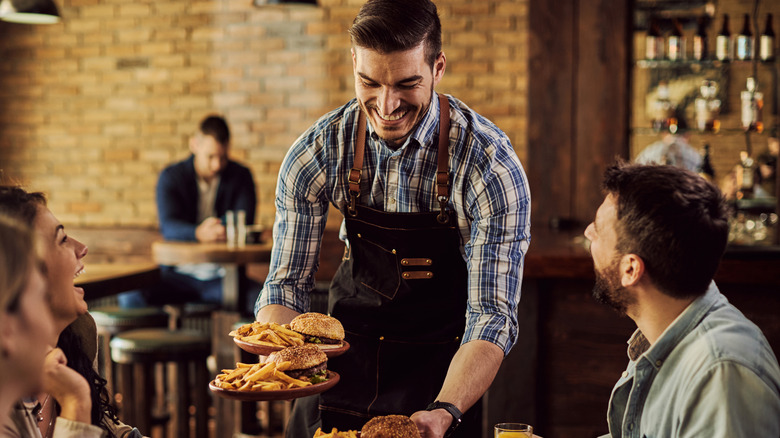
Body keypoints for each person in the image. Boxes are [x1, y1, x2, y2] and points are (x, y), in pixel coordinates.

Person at [255, 0, 531, 436]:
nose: (386, 104)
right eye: (370, 82)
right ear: (353, 63)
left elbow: (491, 316)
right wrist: (280, 356)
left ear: (438, 68)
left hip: (441, 382)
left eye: (407, 83)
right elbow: (285, 287)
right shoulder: (319, 151)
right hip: (340, 371)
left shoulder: (488, 165)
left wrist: (445, 409)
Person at [584, 162, 780, 437]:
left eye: (599, 230)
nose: (588, 233)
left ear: (630, 269)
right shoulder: (667, 334)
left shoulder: (720, 374)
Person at [0, 186, 142, 438]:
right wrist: (75, 403)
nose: (82, 248)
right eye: (62, 239)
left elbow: (107, 428)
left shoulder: (75, 335)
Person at [118, 114, 260, 314]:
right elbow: (169, 226)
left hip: (224, 277)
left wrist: (220, 230)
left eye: (223, 157)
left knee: (264, 301)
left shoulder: (241, 176)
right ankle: (166, 343)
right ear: (194, 145)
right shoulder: (171, 176)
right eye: (210, 157)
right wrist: (198, 233)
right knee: (130, 296)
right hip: (178, 275)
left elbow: (244, 221)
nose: (217, 165)